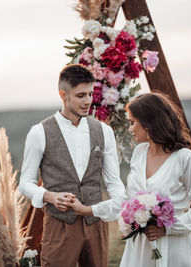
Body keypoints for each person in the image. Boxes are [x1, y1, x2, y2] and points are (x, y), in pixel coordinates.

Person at [69, 92, 191, 267]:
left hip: (173, 247)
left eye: (132, 122)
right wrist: (86, 210)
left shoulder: (185, 158)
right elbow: (128, 199)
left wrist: (167, 228)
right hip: (139, 249)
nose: (130, 129)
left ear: (149, 123)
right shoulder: (139, 153)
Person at [18, 64, 125, 267]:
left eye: (90, 94)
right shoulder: (39, 132)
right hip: (60, 225)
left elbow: (113, 181)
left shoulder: (104, 131)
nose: (88, 101)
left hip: (96, 222)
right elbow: (25, 183)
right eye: (80, 95)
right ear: (63, 95)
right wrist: (50, 196)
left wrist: (123, 209)